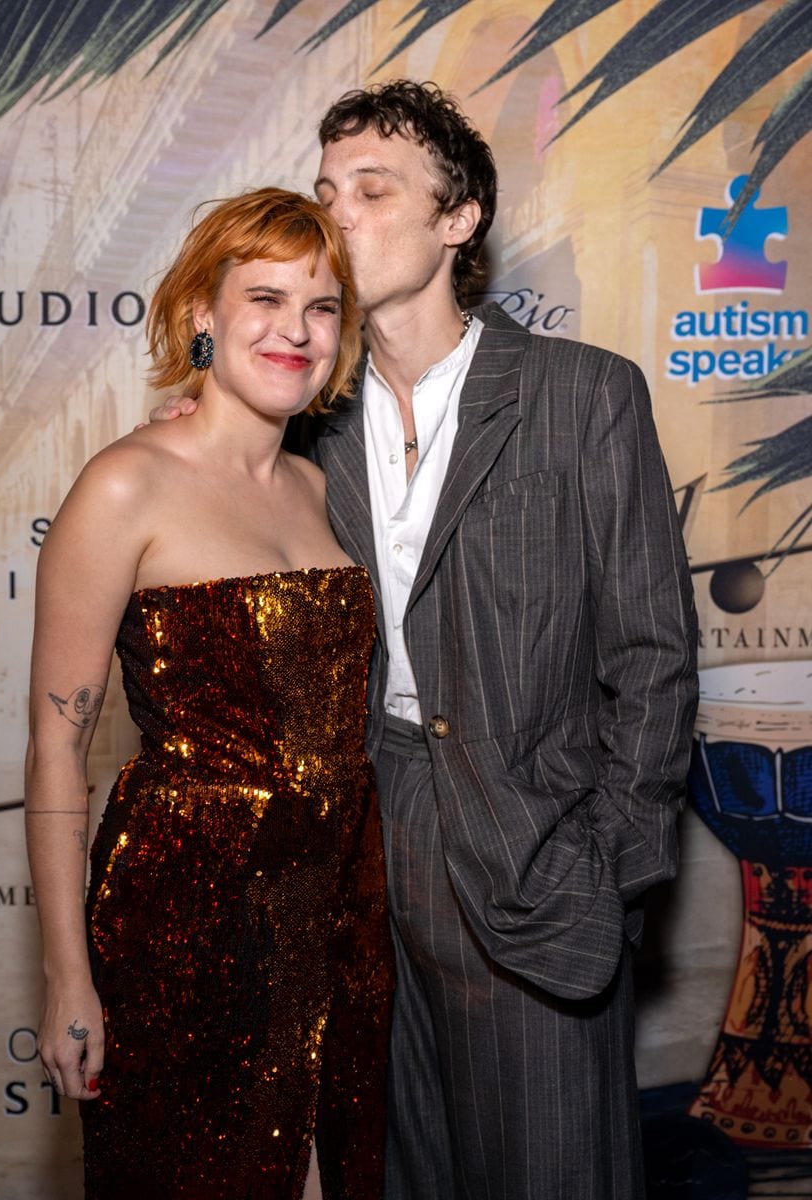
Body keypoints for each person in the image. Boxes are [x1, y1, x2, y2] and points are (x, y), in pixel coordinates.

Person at [152, 82, 699, 1200]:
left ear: (459, 219)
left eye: (372, 188)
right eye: (325, 190)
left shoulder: (581, 395)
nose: (337, 214)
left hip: (537, 853)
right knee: (390, 1175)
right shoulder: (301, 423)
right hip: (356, 855)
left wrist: (611, 870)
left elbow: (651, 655)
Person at [24, 188, 394, 1200]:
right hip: (185, 921)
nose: (295, 330)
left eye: (321, 308)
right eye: (264, 297)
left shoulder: (323, 489)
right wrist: (66, 974)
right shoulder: (124, 485)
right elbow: (59, 747)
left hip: (336, 918)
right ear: (200, 314)